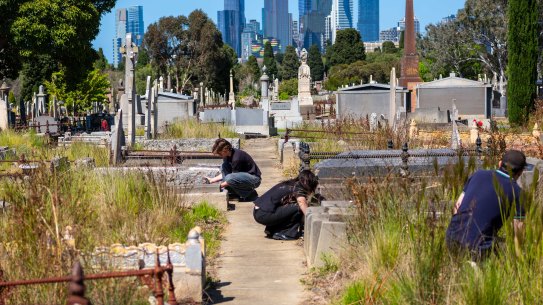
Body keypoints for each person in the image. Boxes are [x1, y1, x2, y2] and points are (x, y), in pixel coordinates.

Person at [445, 149, 527, 261]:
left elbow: (457, 207)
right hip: (477, 248)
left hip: (451, 237)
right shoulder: (518, 193)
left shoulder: (478, 174)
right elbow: (518, 232)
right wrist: (519, 257)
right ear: (521, 172)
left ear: (499, 163)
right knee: (501, 252)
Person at [253, 170, 319, 240]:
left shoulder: (291, 184)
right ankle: (285, 233)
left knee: (289, 207)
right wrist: (313, 221)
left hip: (259, 211)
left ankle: (272, 230)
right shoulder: (298, 188)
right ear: (308, 183)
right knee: (298, 207)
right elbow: (302, 204)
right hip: (264, 214)